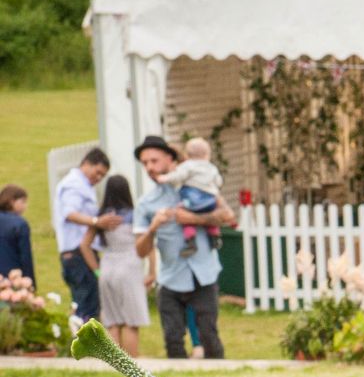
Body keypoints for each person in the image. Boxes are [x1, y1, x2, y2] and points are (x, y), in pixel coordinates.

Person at [132, 134, 234, 360]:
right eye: (145, 163)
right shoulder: (146, 203)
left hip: (204, 274)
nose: (150, 167)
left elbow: (227, 215)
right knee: (172, 338)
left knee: (209, 335)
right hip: (170, 278)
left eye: (154, 161)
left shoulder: (198, 187)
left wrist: (192, 219)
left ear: (170, 159)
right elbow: (139, 250)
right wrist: (153, 228)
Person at [80, 174, 150, 356]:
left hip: (107, 268)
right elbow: (146, 244)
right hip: (129, 267)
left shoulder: (102, 217)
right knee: (130, 321)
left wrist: (97, 271)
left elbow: (84, 245)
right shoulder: (134, 216)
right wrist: (152, 271)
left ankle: (114, 366)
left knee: (112, 321)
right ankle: (132, 366)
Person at [53, 146, 120, 322]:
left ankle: (82, 345)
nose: (98, 178)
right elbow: (70, 212)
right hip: (77, 255)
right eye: (97, 172)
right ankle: (83, 348)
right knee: (86, 308)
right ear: (86, 163)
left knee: (86, 305)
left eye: (102, 176)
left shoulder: (83, 185)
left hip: (81, 254)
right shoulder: (74, 184)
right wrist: (97, 222)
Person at [159, 136, 223, 246]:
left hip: (192, 199)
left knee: (184, 210)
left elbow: (177, 176)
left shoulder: (187, 167)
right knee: (208, 211)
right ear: (207, 155)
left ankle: (190, 237)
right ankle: (214, 234)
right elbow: (219, 182)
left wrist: (163, 178)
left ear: (186, 156)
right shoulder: (212, 168)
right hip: (209, 200)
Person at [0, 185, 35, 284]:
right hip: (14, 277)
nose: (25, 206)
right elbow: (25, 256)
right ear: (11, 201)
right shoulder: (20, 224)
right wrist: (30, 281)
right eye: (23, 201)